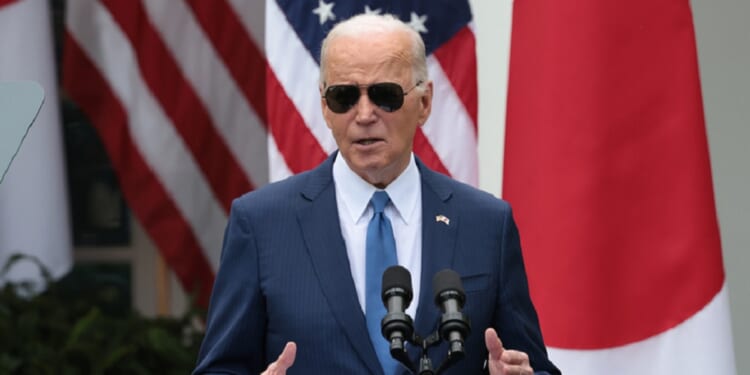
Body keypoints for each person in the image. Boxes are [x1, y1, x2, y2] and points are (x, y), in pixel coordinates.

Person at [194, 13, 560, 375]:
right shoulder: (260, 224)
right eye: (344, 97)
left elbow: (532, 365)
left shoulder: (486, 224)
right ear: (324, 106)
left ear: (425, 102)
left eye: (385, 96)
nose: (364, 114)